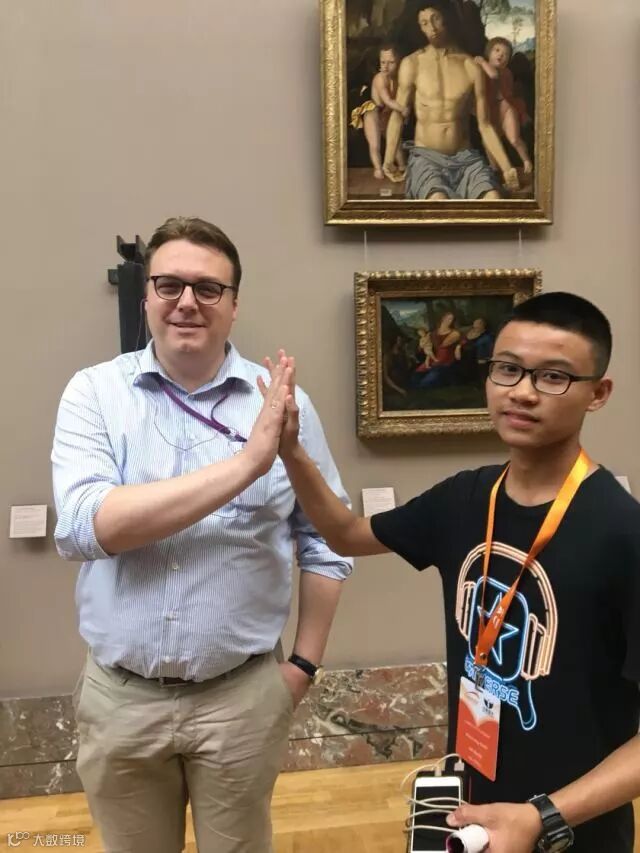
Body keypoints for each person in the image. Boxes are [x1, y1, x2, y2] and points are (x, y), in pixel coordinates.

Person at [262, 292, 640, 852]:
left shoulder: (623, 531)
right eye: (508, 369)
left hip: (572, 830)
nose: (523, 391)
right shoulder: (464, 498)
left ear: (598, 393)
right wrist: (291, 450)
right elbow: (345, 534)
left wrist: (541, 817)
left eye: (553, 377)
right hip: (472, 804)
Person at [51, 216, 352, 853]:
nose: (187, 302)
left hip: (242, 697)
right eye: (170, 285)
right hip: (122, 699)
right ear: (147, 297)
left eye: (209, 288)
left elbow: (325, 540)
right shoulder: (94, 394)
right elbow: (83, 528)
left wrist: (302, 666)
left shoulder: (284, 405)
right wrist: (247, 465)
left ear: (234, 305)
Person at [382, 1, 519, 199]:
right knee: (439, 202)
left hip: (466, 159)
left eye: (435, 18)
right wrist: (388, 160)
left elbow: (485, 125)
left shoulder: (470, 66)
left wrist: (507, 168)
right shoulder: (412, 64)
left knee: (493, 200)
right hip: (426, 159)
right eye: (424, 23)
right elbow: (397, 116)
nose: (431, 28)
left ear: (446, 17)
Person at [350, 44, 410, 179]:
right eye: (383, 62)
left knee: (395, 141)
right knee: (375, 144)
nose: (386, 66)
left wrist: (405, 110)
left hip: (387, 113)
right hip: (373, 112)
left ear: (399, 62)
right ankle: (378, 169)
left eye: (391, 62)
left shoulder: (399, 79)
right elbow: (387, 100)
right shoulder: (380, 78)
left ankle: (402, 165)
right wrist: (402, 109)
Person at [475, 37, 533, 175]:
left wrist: (482, 61)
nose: (501, 55)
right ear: (489, 52)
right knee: (489, 143)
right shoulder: (480, 70)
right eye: (497, 50)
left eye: (505, 54)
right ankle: (494, 170)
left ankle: (527, 161)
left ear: (508, 60)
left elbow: (493, 75)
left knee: (514, 139)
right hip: (489, 112)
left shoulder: (505, 72)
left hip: (505, 109)